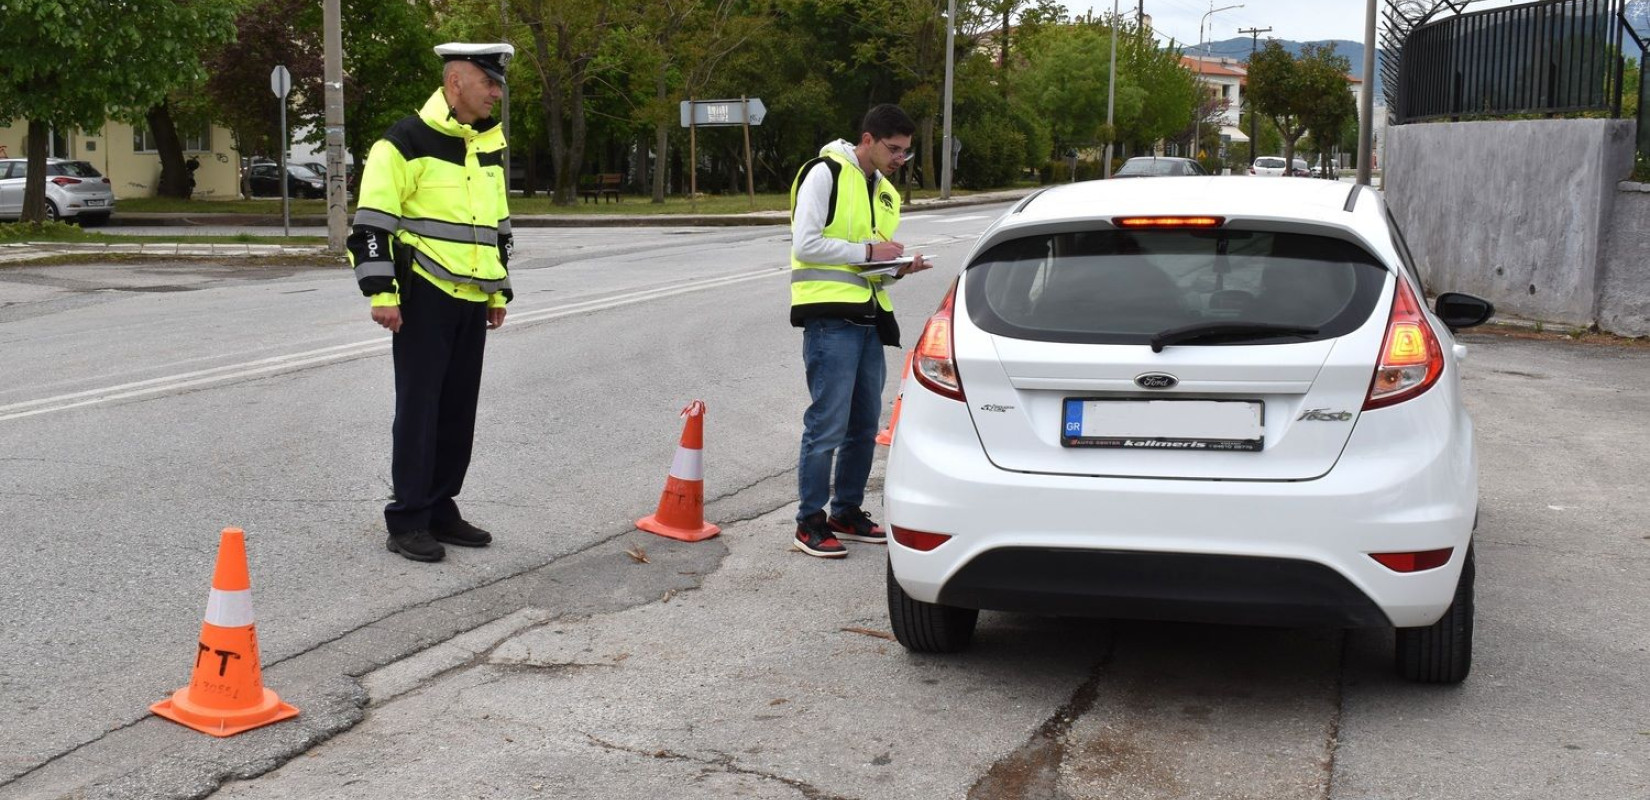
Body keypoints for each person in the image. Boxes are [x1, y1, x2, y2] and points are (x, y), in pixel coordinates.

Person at [346, 42, 515, 563]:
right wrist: (382, 293)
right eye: (488, 82)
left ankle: (441, 507)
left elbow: (498, 226)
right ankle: (408, 518)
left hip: (472, 298)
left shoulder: (486, 145)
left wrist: (498, 289)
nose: (496, 93)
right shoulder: (402, 142)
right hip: (425, 296)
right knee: (419, 411)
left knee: (457, 411)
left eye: (498, 84)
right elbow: (371, 225)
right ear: (455, 82)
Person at [788, 103, 932, 559]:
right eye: (894, 149)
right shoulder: (824, 173)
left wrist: (897, 268)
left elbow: (870, 269)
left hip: (870, 317)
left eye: (906, 152)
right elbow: (805, 243)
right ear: (867, 139)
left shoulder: (884, 191)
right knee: (827, 425)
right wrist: (870, 251)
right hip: (829, 318)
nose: (900, 159)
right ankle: (809, 522)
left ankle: (845, 512)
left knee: (864, 425)